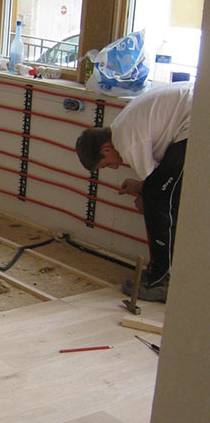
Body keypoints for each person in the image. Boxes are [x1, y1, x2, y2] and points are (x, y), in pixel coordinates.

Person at [75, 81, 193, 302]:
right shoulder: (121, 127)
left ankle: (162, 280)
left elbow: (154, 189)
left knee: (157, 202)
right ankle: (171, 274)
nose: (115, 167)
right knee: (161, 197)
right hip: (191, 116)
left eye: (106, 164)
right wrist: (143, 189)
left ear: (105, 149)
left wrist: (144, 196)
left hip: (195, 119)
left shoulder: (126, 141)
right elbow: (157, 178)